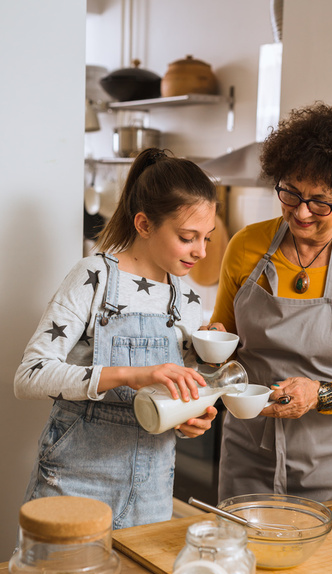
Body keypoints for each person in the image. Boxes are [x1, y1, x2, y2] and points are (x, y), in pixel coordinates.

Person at [211, 102, 332, 502]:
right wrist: (211, 341)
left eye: (321, 201)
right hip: (250, 457)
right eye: (291, 193)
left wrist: (319, 394)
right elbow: (224, 341)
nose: (301, 212)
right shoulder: (244, 245)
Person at [14, 148, 219, 528]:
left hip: (153, 491)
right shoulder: (94, 276)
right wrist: (131, 375)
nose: (201, 251)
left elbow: (177, 396)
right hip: (76, 482)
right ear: (143, 224)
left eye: (206, 238)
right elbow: (29, 376)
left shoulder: (188, 299)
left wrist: (190, 417)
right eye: (188, 237)